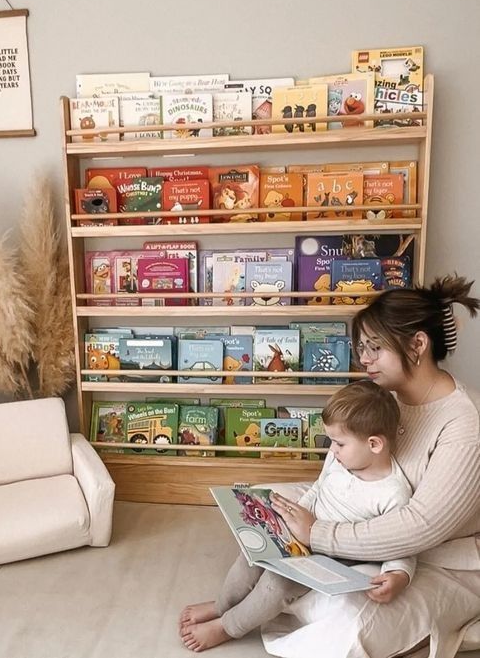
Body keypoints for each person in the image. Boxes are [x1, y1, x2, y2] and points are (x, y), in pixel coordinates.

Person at [181, 274, 480, 658]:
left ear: (418, 344)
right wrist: (305, 514)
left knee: (352, 628)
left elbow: (422, 527)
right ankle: (234, 604)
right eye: (361, 347)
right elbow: (338, 464)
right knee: (266, 505)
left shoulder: (463, 424)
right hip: (366, 516)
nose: (363, 359)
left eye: (375, 348)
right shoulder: (384, 396)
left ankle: (260, 603)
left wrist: (318, 534)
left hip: (437, 554)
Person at [180, 379, 416, 652]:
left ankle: (228, 626)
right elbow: (319, 488)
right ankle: (222, 605)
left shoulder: (393, 492)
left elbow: (402, 541)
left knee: (276, 584)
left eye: (339, 443)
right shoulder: (341, 459)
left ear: (374, 444)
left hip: (334, 556)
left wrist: (399, 574)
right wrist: (291, 516)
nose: (333, 449)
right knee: (250, 556)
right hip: (302, 533)